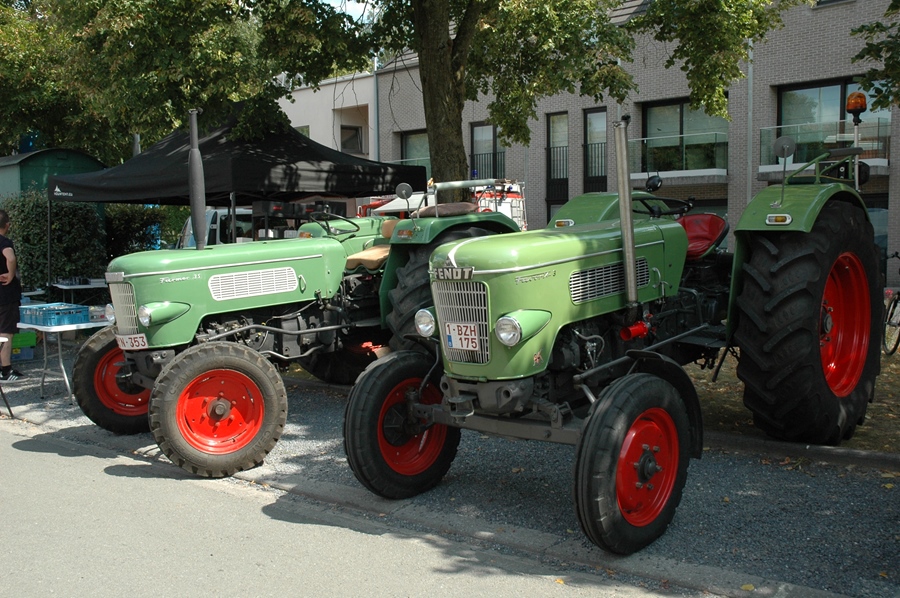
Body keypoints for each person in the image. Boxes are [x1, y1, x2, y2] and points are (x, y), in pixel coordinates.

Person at [0, 209, 25, 381]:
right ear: (7, 225)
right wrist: (10, 274)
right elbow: (10, 257)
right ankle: (6, 370)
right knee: (6, 332)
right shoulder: (4, 242)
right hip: (6, 294)